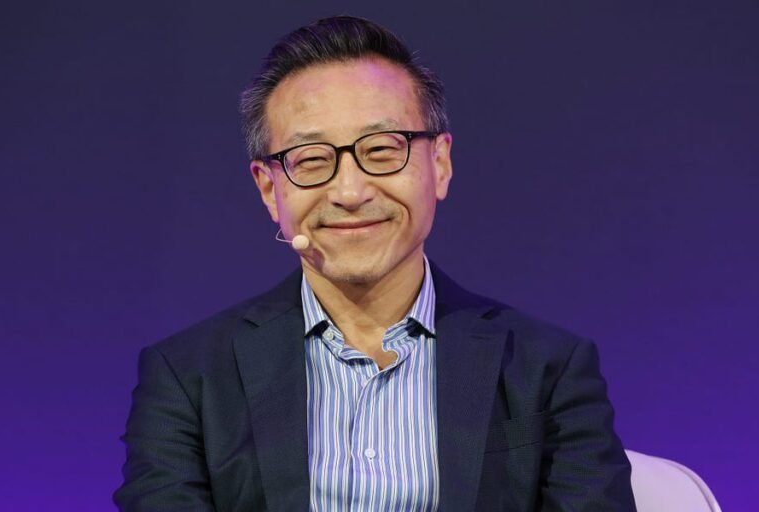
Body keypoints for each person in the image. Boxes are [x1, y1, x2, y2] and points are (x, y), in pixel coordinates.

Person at [114, 15, 635, 511]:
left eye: (383, 150)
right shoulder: (188, 378)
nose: (350, 191)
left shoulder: (548, 369)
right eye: (311, 159)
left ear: (440, 164)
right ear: (269, 189)